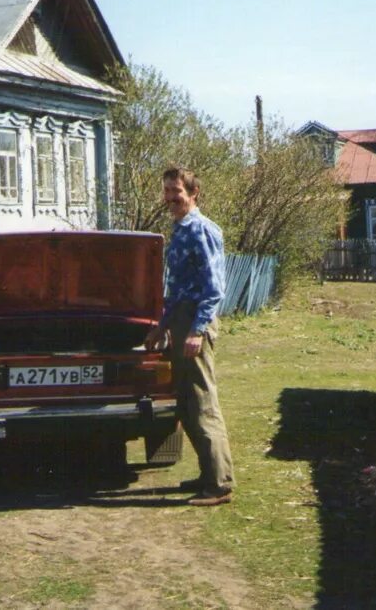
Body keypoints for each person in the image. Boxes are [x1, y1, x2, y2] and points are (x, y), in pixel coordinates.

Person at [145, 166, 235, 506]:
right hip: (180, 320)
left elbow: (214, 288)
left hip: (196, 322)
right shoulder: (179, 229)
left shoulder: (202, 229)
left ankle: (220, 484)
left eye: (176, 192)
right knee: (185, 401)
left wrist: (197, 330)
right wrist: (163, 325)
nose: (170, 198)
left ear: (193, 194)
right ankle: (207, 475)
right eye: (167, 191)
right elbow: (177, 287)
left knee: (202, 402)